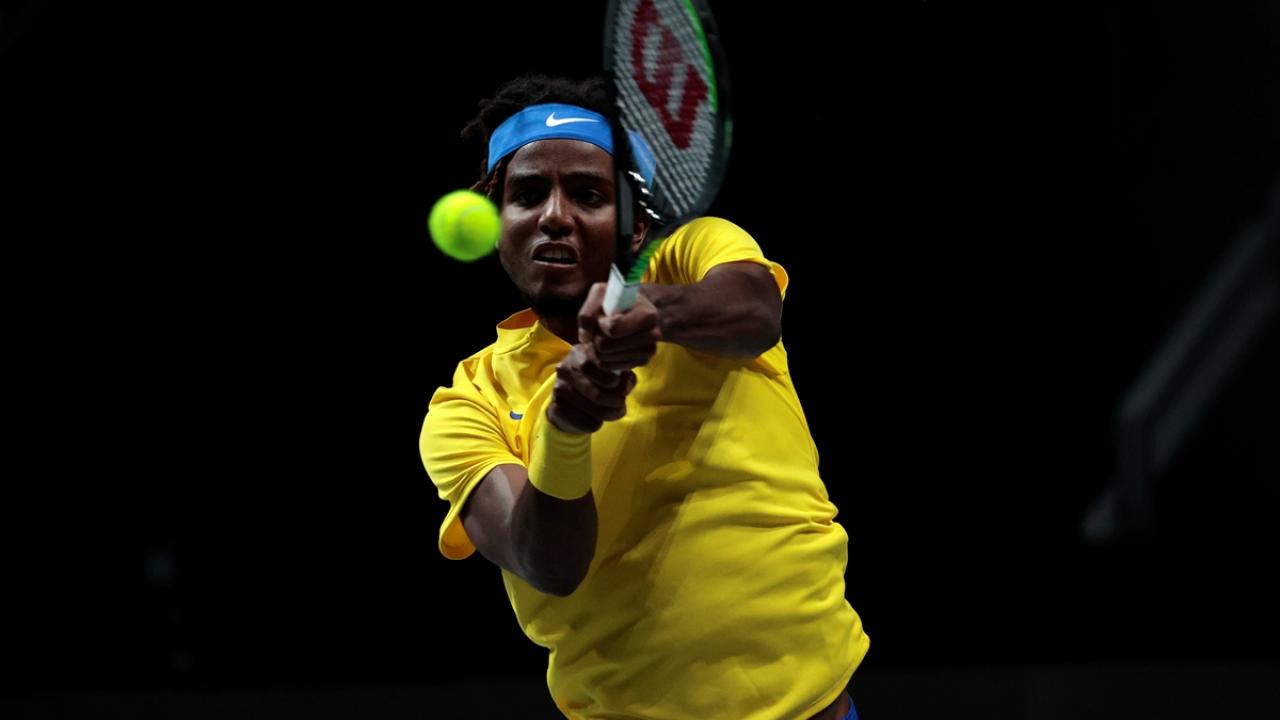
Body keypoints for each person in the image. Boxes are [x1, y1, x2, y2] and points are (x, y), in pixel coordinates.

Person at [420, 74, 868, 720]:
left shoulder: (690, 258)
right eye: (528, 194)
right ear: (498, 222)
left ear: (636, 228)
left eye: (588, 194)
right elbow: (549, 564)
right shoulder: (468, 402)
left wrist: (653, 311)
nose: (554, 215)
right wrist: (566, 430)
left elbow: (755, 309)